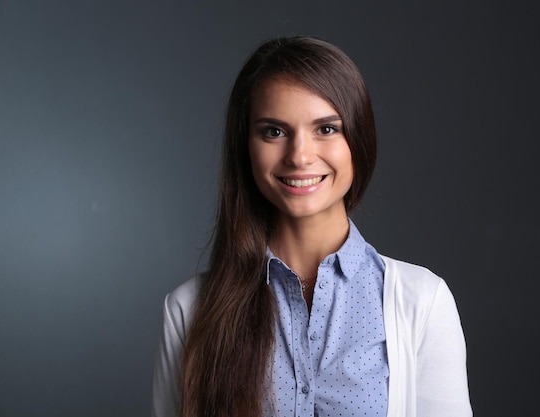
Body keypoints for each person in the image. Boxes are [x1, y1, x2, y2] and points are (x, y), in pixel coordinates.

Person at [152, 36, 472, 417]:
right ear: (246, 147)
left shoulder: (422, 303)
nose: (300, 156)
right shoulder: (190, 311)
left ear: (359, 138)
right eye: (274, 131)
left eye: (326, 129)